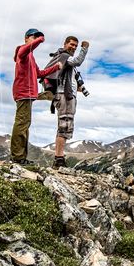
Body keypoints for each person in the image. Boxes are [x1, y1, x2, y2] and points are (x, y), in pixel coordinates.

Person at [10, 28, 61, 164]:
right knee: (22, 124)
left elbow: (40, 73)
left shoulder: (31, 57)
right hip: (23, 93)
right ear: (26, 38)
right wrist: (40, 39)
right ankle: (18, 158)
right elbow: (25, 50)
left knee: (25, 124)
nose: (36, 39)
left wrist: (55, 67)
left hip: (28, 94)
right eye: (33, 36)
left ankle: (21, 157)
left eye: (36, 37)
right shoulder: (22, 51)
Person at [41, 36, 89, 167]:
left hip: (67, 95)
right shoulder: (65, 57)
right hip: (64, 95)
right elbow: (78, 61)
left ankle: (59, 157)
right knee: (64, 126)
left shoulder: (66, 60)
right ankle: (59, 159)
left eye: (76, 45)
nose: (73, 47)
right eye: (72, 44)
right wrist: (84, 48)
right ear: (65, 44)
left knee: (65, 125)